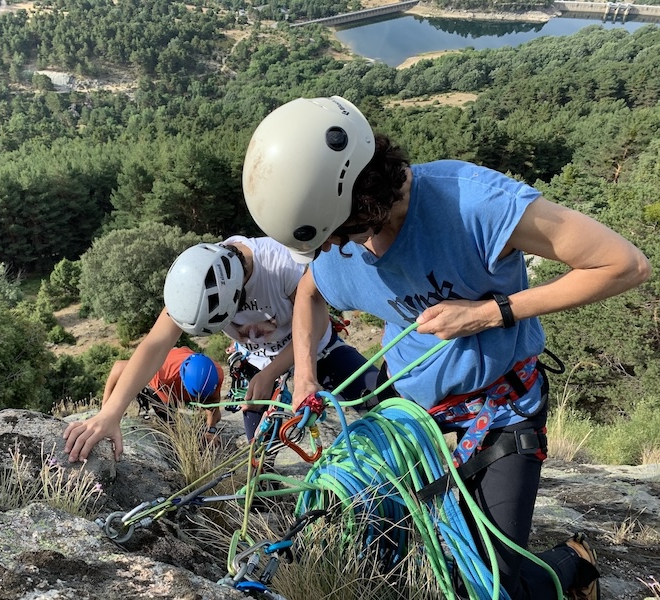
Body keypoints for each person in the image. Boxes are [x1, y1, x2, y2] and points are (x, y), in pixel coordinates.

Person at [241, 96, 651, 600]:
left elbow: (624, 265)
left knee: (492, 586)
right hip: (413, 415)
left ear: (361, 197)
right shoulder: (343, 247)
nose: (327, 249)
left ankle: (574, 563)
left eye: (331, 232)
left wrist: (490, 312)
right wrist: (303, 376)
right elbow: (309, 293)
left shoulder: (472, 204)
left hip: (501, 405)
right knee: (373, 544)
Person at [63, 238, 378, 463]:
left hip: (315, 349)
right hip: (258, 362)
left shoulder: (281, 264)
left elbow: (318, 322)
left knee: (383, 400)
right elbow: (155, 345)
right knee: (259, 448)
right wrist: (110, 413)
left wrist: (272, 372)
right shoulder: (198, 281)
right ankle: (260, 500)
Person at [102, 347, 224, 435]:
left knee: (216, 417)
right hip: (163, 389)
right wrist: (105, 412)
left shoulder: (216, 373)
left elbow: (213, 404)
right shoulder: (162, 374)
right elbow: (118, 367)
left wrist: (211, 431)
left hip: (182, 375)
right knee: (171, 428)